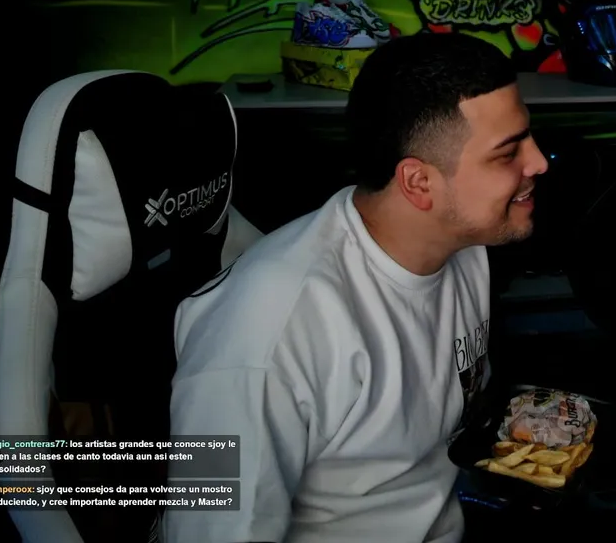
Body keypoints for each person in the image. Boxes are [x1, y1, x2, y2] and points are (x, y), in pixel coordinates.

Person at [161, 32, 548, 543]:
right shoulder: (267, 336)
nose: (539, 161)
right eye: (508, 152)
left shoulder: (466, 248)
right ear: (418, 183)